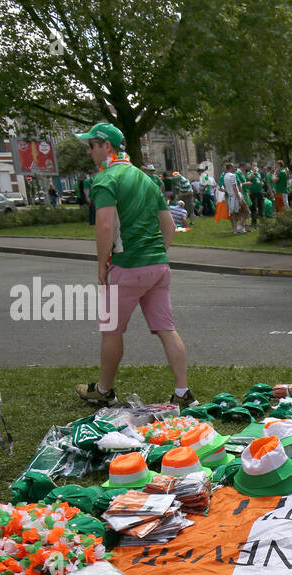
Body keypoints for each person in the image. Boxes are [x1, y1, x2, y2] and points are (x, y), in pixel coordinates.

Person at [73, 122, 192, 408]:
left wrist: (102, 266)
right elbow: (170, 227)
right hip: (158, 268)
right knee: (167, 329)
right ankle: (182, 392)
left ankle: (104, 390)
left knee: (111, 330)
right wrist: (155, 254)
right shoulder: (146, 180)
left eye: (91, 145)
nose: (89, 151)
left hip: (126, 267)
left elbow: (103, 226)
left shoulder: (105, 180)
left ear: (107, 147)